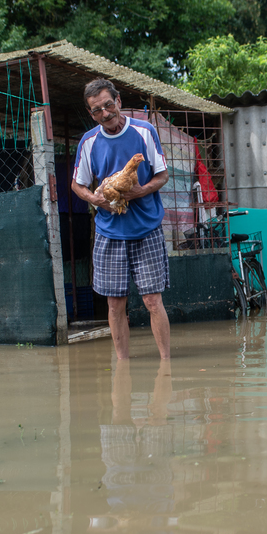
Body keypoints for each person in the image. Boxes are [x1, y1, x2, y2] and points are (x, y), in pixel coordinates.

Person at [72, 79, 171, 359]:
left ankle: (166, 362)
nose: (104, 113)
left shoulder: (144, 131)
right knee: (115, 305)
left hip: (145, 228)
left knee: (153, 300)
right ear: (90, 114)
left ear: (118, 100)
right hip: (109, 232)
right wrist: (95, 199)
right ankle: (123, 364)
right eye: (96, 110)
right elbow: (77, 185)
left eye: (108, 105)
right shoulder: (89, 142)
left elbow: (162, 175)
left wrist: (140, 190)